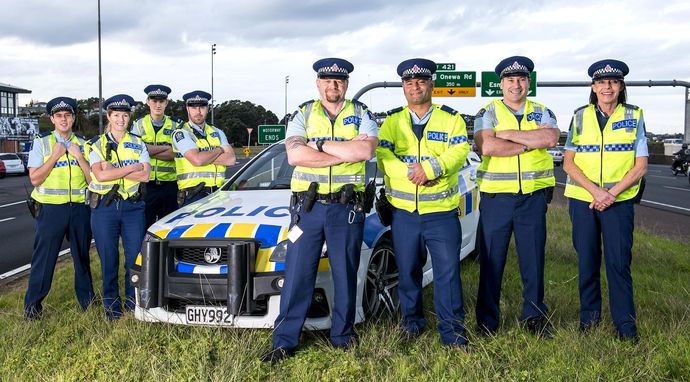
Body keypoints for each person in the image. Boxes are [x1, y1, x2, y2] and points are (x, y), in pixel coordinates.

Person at [261, 58, 378, 364]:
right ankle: (284, 341)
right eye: (327, 80)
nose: (333, 86)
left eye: (339, 81)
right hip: (308, 209)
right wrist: (342, 153)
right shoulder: (302, 113)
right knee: (298, 274)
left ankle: (342, 336)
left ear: (347, 85)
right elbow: (295, 155)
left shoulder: (362, 113)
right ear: (318, 83)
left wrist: (321, 145)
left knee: (345, 274)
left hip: (346, 208)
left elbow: (364, 151)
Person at [376, 58, 470, 347]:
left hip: (441, 214)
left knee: (448, 274)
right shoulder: (392, 122)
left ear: (431, 84)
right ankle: (411, 324)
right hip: (404, 214)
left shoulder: (452, 119)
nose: (414, 86)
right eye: (408, 82)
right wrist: (411, 174)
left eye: (420, 81)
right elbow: (383, 157)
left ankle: (452, 332)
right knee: (407, 273)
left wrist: (430, 170)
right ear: (403, 88)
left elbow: (458, 152)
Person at [474, 56, 560, 338]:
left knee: (533, 261)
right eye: (510, 80)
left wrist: (509, 135)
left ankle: (534, 317)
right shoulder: (487, 111)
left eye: (521, 79)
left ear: (528, 82)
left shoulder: (543, 111)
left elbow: (549, 139)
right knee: (491, 260)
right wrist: (528, 142)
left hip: (532, 199)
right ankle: (487, 321)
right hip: (497, 199)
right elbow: (487, 145)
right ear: (501, 84)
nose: (516, 84)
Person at [563, 59, 647, 340]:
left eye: (613, 82)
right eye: (601, 82)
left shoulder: (635, 116)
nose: (607, 87)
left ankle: (625, 326)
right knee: (587, 261)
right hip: (583, 200)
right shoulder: (579, 116)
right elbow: (569, 164)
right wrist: (596, 192)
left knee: (618, 263)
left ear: (621, 86)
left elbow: (640, 166)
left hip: (618, 202)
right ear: (593, 87)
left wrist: (610, 194)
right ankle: (589, 321)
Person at [23, 97, 95, 320]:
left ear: (73, 118)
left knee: (82, 257)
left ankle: (88, 304)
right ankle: (32, 309)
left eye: (68, 115)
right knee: (44, 259)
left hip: (79, 209)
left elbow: (93, 179)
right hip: (51, 210)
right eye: (59, 116)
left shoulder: (84, 143)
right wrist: (54, 156)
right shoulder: (42, 143)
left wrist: (80, 157)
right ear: (52, 119)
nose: (64, 119)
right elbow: (35, 178)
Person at [88, 94, 151, 320]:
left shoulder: (138, 142)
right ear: (109, 116)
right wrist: (130, 167)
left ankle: (133, 305)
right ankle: (112, 308)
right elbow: (100, 175)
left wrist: (114, 169)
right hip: (105, 209)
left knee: (134, 258)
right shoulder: (95, 143)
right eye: (116, 115)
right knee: (109, 259)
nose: (121, 120)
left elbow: (145, 175)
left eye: (125, 115)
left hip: (133, 208)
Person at [172, 90, 235, 206]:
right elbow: (197, 160)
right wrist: (220, 150)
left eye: (202, 107)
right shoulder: (181, 133)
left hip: (219, 195)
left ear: (208, 109)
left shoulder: (217, 131)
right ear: (187, 109)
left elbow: (230, 159)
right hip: (194, 195)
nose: (198, 112)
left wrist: (202, 155)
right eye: (194, 108)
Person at [131, 84, 181, 227]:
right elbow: (136, 152)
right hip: (147, 186)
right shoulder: (138, 124)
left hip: (170, 186)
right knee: (145, 228)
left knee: (169, 229)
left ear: (167, 103)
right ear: (148, 102)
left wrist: (147, 150)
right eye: (154, 101)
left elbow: (176, 153)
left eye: (161, 101)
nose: (158, 105)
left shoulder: (176, 125)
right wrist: (165, 148)